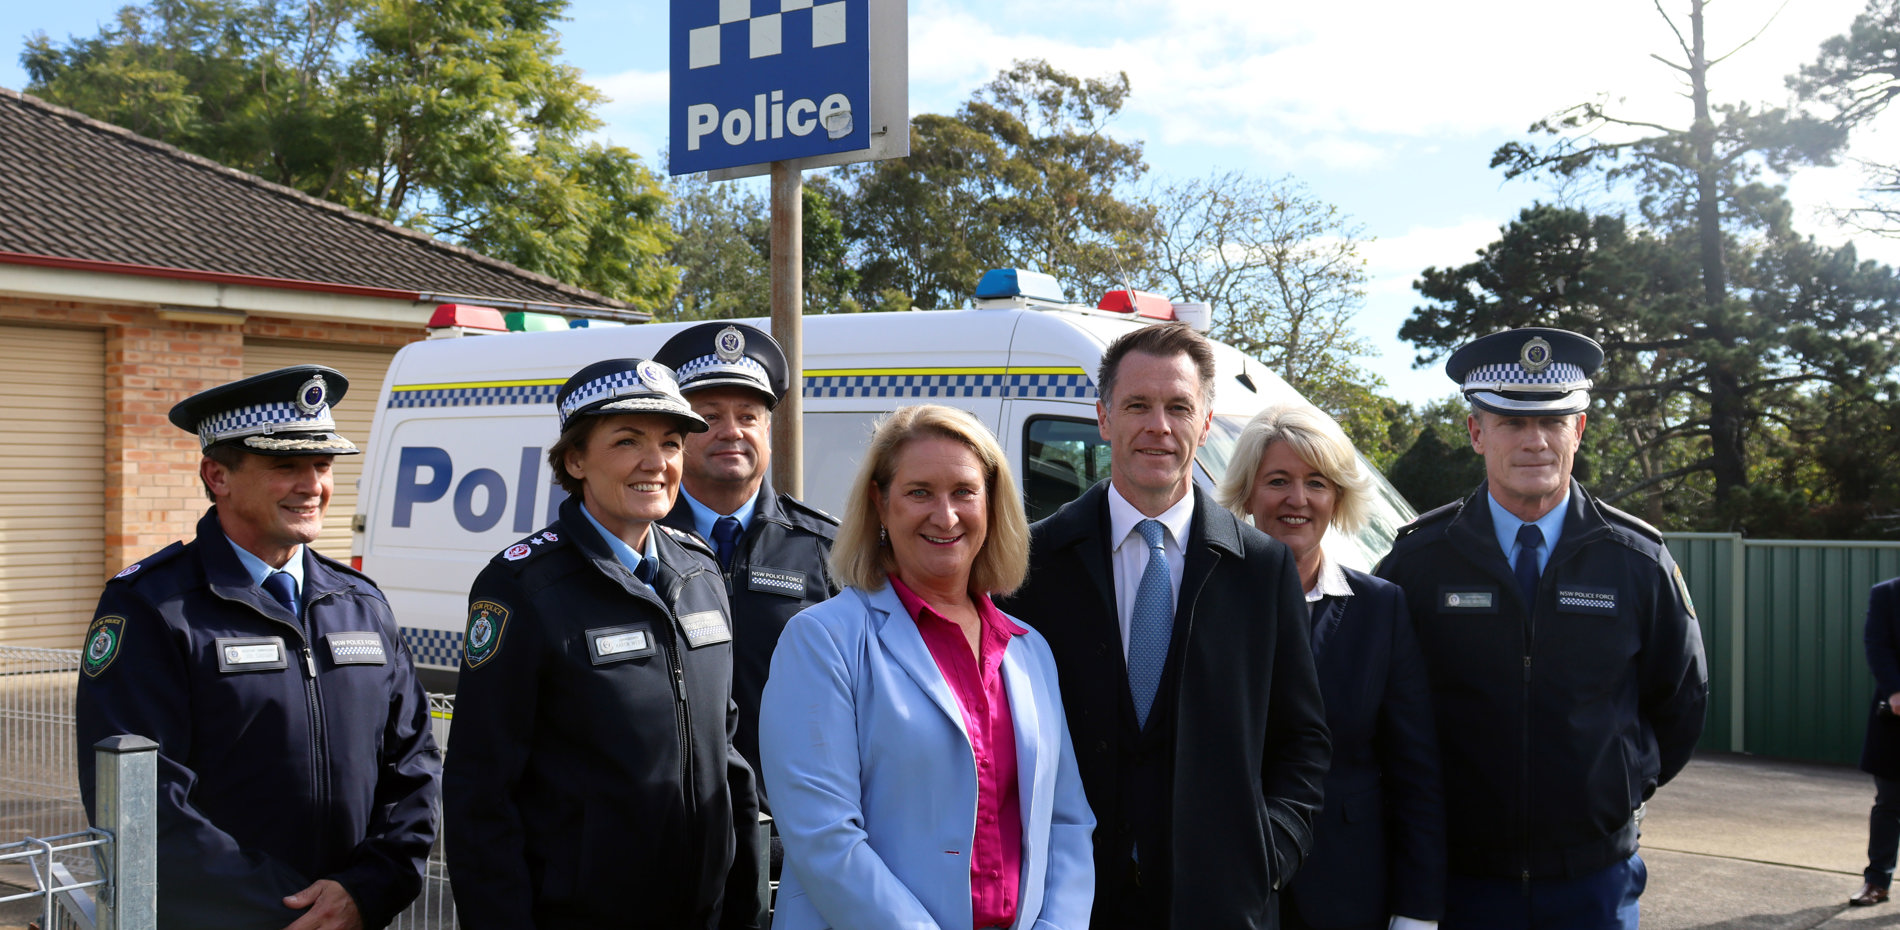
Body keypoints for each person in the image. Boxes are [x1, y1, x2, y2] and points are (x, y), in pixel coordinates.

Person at [74, 365, 441, 930]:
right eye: (284, 466)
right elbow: (142, 800)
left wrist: (366, 889)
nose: (312, 485)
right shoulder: (154, 607)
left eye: (322, 465)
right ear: (217, 475)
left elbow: (413, 765)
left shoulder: (360, 603)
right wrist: (287, 907)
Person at [1001, 321, 1331, 929]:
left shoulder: (1262, 569)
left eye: (1179, 407)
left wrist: (1268, 856)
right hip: (1066, 905)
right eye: (1137, 405)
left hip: (1221, 906)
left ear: (1205, 424)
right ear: (1103, 419)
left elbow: (1302, 742)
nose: (1159, 426)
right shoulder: (1032, 563)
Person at [1376, 327, 1708, 930]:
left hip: (1594, 884)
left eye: (1554, 422)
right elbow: (1380, 703)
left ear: (1577, 431)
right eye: (1511, 422)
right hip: (1456, 880)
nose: (1536, 441)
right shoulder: (1418, 561)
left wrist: (1619, 786)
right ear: (1477, 432)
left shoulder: (1637, 559)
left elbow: (1680, 700)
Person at [442, 358, 767, 929]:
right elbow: (481, 794)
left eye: (670, 443)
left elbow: (727, 756)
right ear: (575, 460)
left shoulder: (699, 573)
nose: (655, 463)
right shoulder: (524, 587)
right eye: (627, 441)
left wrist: (745, 909)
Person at [758, 404, 1094, 930]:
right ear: (880, 502)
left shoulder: (1029, 650)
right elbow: (824, 838)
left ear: (991, 502)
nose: (946, 515)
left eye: (964, 491)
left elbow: (1067, 822)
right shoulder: (823, 641)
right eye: (919, 492)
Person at [1216, 402, 1444, 930]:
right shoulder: (1203, 598)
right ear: (1249, 491)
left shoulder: (1381, 609)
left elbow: (1417, 777)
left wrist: (1416, 912)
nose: (1298, 499)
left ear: (1337, 497)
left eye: (1316, 482)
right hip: (1227, 891)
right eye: (1278, 480)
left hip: (1349, 893)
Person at [653, 322, 839, 806]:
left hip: (791, 830)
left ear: (769, 431)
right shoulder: (637, 545)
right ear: (677, 434)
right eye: (709, 416)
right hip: (669, 833)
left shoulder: (827, 550)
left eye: (748, 416)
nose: (731, 431)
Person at [1854, 576, 1900, 906]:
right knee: (1889, 803)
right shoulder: (1887, 594)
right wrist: (1895, 691)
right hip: (1895, 715)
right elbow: (1876, 644)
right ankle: (1877, 882)